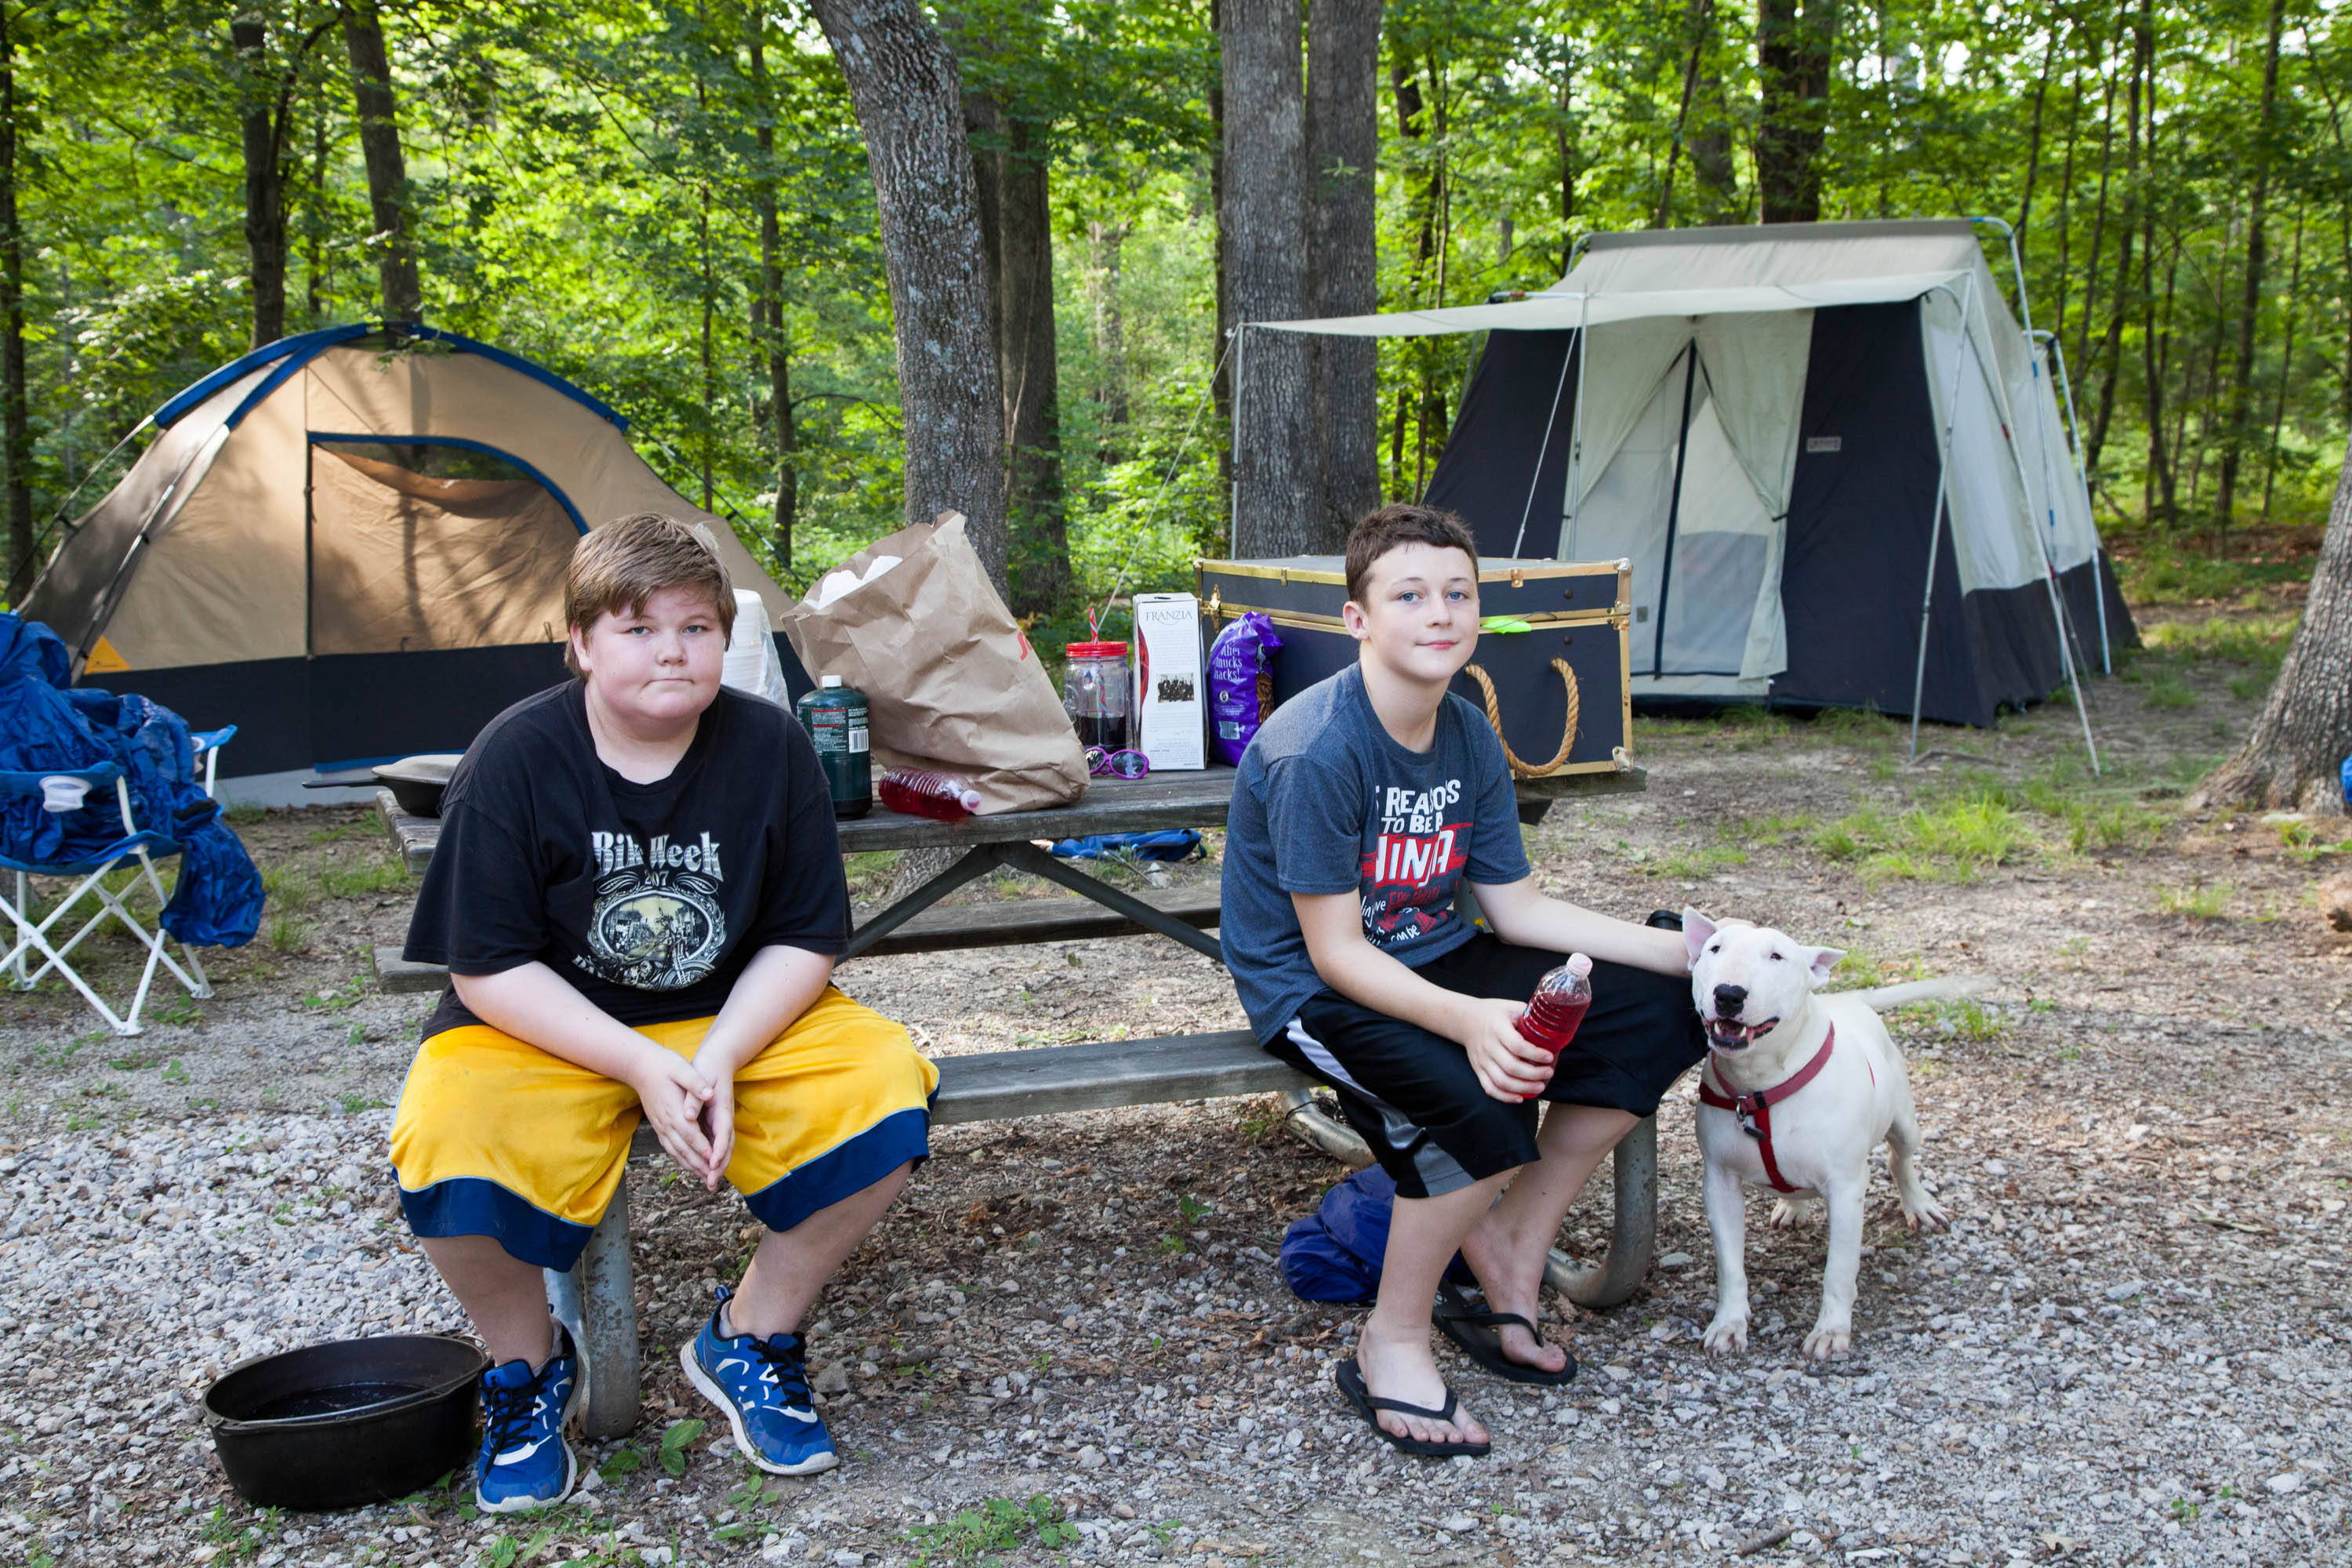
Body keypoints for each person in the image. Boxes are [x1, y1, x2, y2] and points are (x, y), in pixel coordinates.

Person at [391, 514, 935, 1510]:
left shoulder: (770, 744)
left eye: (694, 627)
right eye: (638, 628)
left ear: (725, 639)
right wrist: (639, 1064)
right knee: (446, 1134)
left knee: (884, 1088)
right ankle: (525, 1372)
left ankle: (751, 1334)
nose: (671, 651)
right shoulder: (514, 756)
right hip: (547, 1016)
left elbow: (806, 936)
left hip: (729, 1008)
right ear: (581, 641)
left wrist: (721, 1051)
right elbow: (486, 967)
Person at [1221, 504, 1704, 1457]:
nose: (1439, 613)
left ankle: (1513, 1243)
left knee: (1663, 1008)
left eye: (1457, 593)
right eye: (1408, 594)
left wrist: (1690, 950)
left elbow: (1517, 908)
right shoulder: (1316, 747)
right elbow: (1335, 954)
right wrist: (1474, 1019)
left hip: (1437, 952)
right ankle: (1389, 1341)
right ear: (1357, 619)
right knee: (1478, 1115)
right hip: (1314, 987)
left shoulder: (1469, 732)